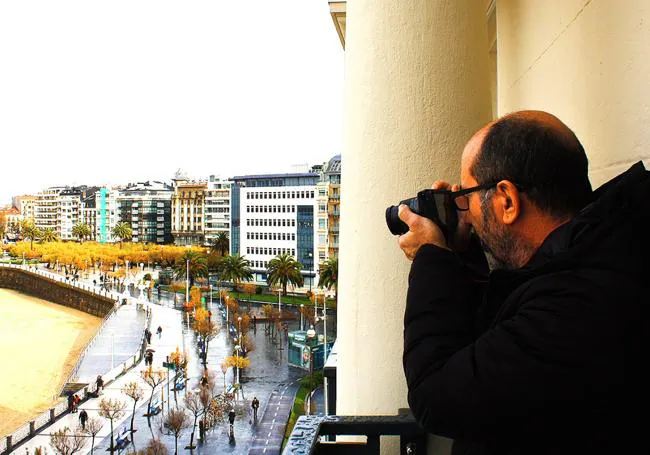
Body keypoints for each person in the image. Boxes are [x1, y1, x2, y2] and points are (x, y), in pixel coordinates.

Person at [397, 111, 648, 454]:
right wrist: (461, 254)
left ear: (508, 200)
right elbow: (497, 340)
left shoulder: (579, 303)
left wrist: (432, 259)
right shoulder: (594, 253)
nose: (465, 212)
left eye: (468, 195)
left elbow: (436, 396)